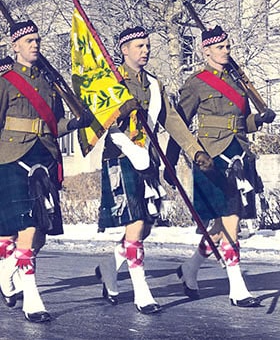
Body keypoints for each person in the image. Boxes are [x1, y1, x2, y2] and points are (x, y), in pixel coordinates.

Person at [94, 26, 213, 314]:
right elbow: (98, 121)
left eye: (147, 45)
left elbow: (171, 120)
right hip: (120, 156)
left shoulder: (153, 84)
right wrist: (119, 111)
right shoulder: (111, 80)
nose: (145, 50)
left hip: (149, 157)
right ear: (124, 50)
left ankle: (110, 266)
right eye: (139, 46)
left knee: (145, 226)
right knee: (135, 225)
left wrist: (194, 149)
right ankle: (141, 291)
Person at [164, 25, 276, 308]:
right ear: (207, 50)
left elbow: (243, 124)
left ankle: (190, 268)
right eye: (221, 47)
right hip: (211, 158)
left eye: (228, 46)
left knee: (221, 225)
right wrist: (171, 158)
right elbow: (180, 123)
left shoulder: (239, 83)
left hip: (239, 156)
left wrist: (261, 119)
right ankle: (237, 287)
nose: (226, 51)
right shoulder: (196, 83)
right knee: (231, 222)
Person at [0, 20, 93, 323]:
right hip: (12, 157)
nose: (34, 44)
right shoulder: (5, 80)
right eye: (28, 40)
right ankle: (32, 298)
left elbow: (56, 124)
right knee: (27, 228)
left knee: (41, 231)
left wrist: (76, 123)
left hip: (46, 155)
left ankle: (6, 268)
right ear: (15, 46)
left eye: (37, 39)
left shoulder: (49, 81)